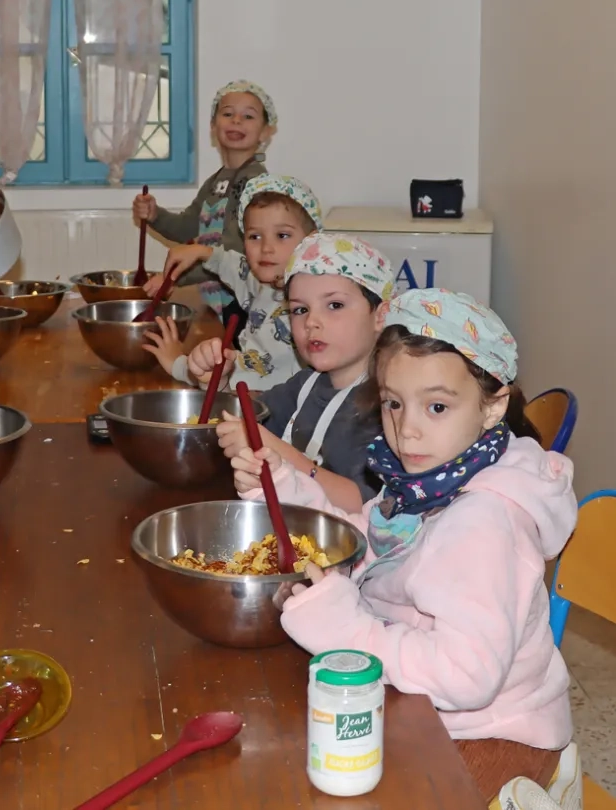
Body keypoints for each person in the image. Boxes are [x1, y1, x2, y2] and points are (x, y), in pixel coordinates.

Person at [227, 288, 579, 806]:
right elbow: (369, 540)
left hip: (495, 731)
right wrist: (285, 490)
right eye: (393, 403)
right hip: (425, 700)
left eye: (436, 406)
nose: (407, 430)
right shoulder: (427, 478)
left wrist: (344, 629)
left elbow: (464, 678)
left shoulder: (483, 524)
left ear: (493, 406)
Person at [216, 232, 395, 511]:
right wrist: (220, 384)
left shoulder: (386, 406)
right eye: (300, 310)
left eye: (334, 305)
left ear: (380, 316)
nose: (312, 321)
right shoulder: (305, 385)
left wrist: (274, 448)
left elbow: (361, 504)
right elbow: (247, 419)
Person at [142, 174, 321, 391]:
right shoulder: (272, 282)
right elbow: (239, 269)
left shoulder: (300, 314)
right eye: (254, 236)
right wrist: (204, 252)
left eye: (282, 235)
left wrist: (181, 366)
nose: (266, 248)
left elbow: (253, 373)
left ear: (311, 241)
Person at [133, 80, 275, 331]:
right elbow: (188, 227)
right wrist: (156, 215)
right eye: (227, 114)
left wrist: (173, 277)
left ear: (265, 131)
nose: (236, 120)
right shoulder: (216, 181)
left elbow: (234, 248)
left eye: (248, 116)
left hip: (244, 305)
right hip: (218, 303)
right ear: (213, 126)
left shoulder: (255, 183)